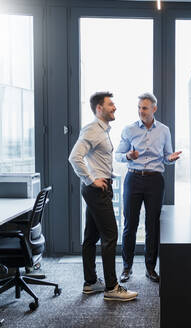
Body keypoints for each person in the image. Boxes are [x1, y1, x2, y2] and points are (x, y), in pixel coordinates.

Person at [69, 91, 137, 301]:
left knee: (91, 237)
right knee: (110, 236)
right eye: (111, 104)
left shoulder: (103, 130)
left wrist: (107, 175)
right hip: (97, 190)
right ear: (99, 108)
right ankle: (111, 287)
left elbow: (97, 159)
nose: (115, 107)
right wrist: (92, 180)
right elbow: (74, 157)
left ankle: (90, 283)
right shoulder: (92, 130)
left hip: (97, 188)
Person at [115, 92, 181, 283]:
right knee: (130, 225)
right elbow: (118, 155)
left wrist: (171, 159)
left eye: (144, 108)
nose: (141, 111)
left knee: (152, 225)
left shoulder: (164, 130)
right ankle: (126, 268)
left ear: (154, 109)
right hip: (133, 179)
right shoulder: (129, 130)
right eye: (139, 108)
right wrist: (129, 156)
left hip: (155, 181)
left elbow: (167, 156)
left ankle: (150, 268)